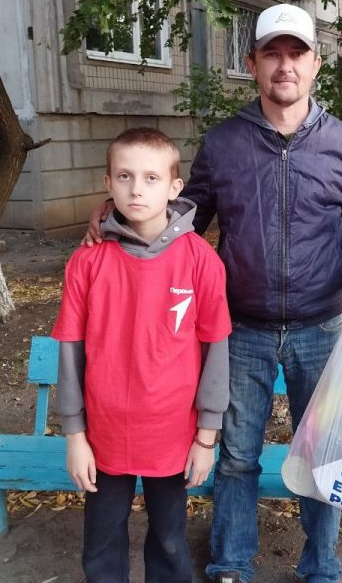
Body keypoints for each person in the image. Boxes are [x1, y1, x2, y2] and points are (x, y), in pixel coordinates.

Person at [85, 3, 342, 583]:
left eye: (296, 54)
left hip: (320, 329)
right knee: (238, 456)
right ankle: (230, 564)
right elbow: (185, 216)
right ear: (252, 63)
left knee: (322, 454)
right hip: (240, 329)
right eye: (273, 53)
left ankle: (321, 565)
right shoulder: (224, 143)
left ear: (316, 64)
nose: (285, 65)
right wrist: (118, 216)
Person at [53, 127, 233, 583]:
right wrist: (75, 436)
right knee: (101, 539)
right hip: (105, 434)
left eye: (151, 178)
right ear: (108, 183)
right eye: (125, 176)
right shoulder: (86, 262)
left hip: (172, 433)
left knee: (170, 539)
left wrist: (206, 438)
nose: (137, 189)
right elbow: (71, 351)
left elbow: (216, 351)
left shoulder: (201, 261)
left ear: (174, 187)